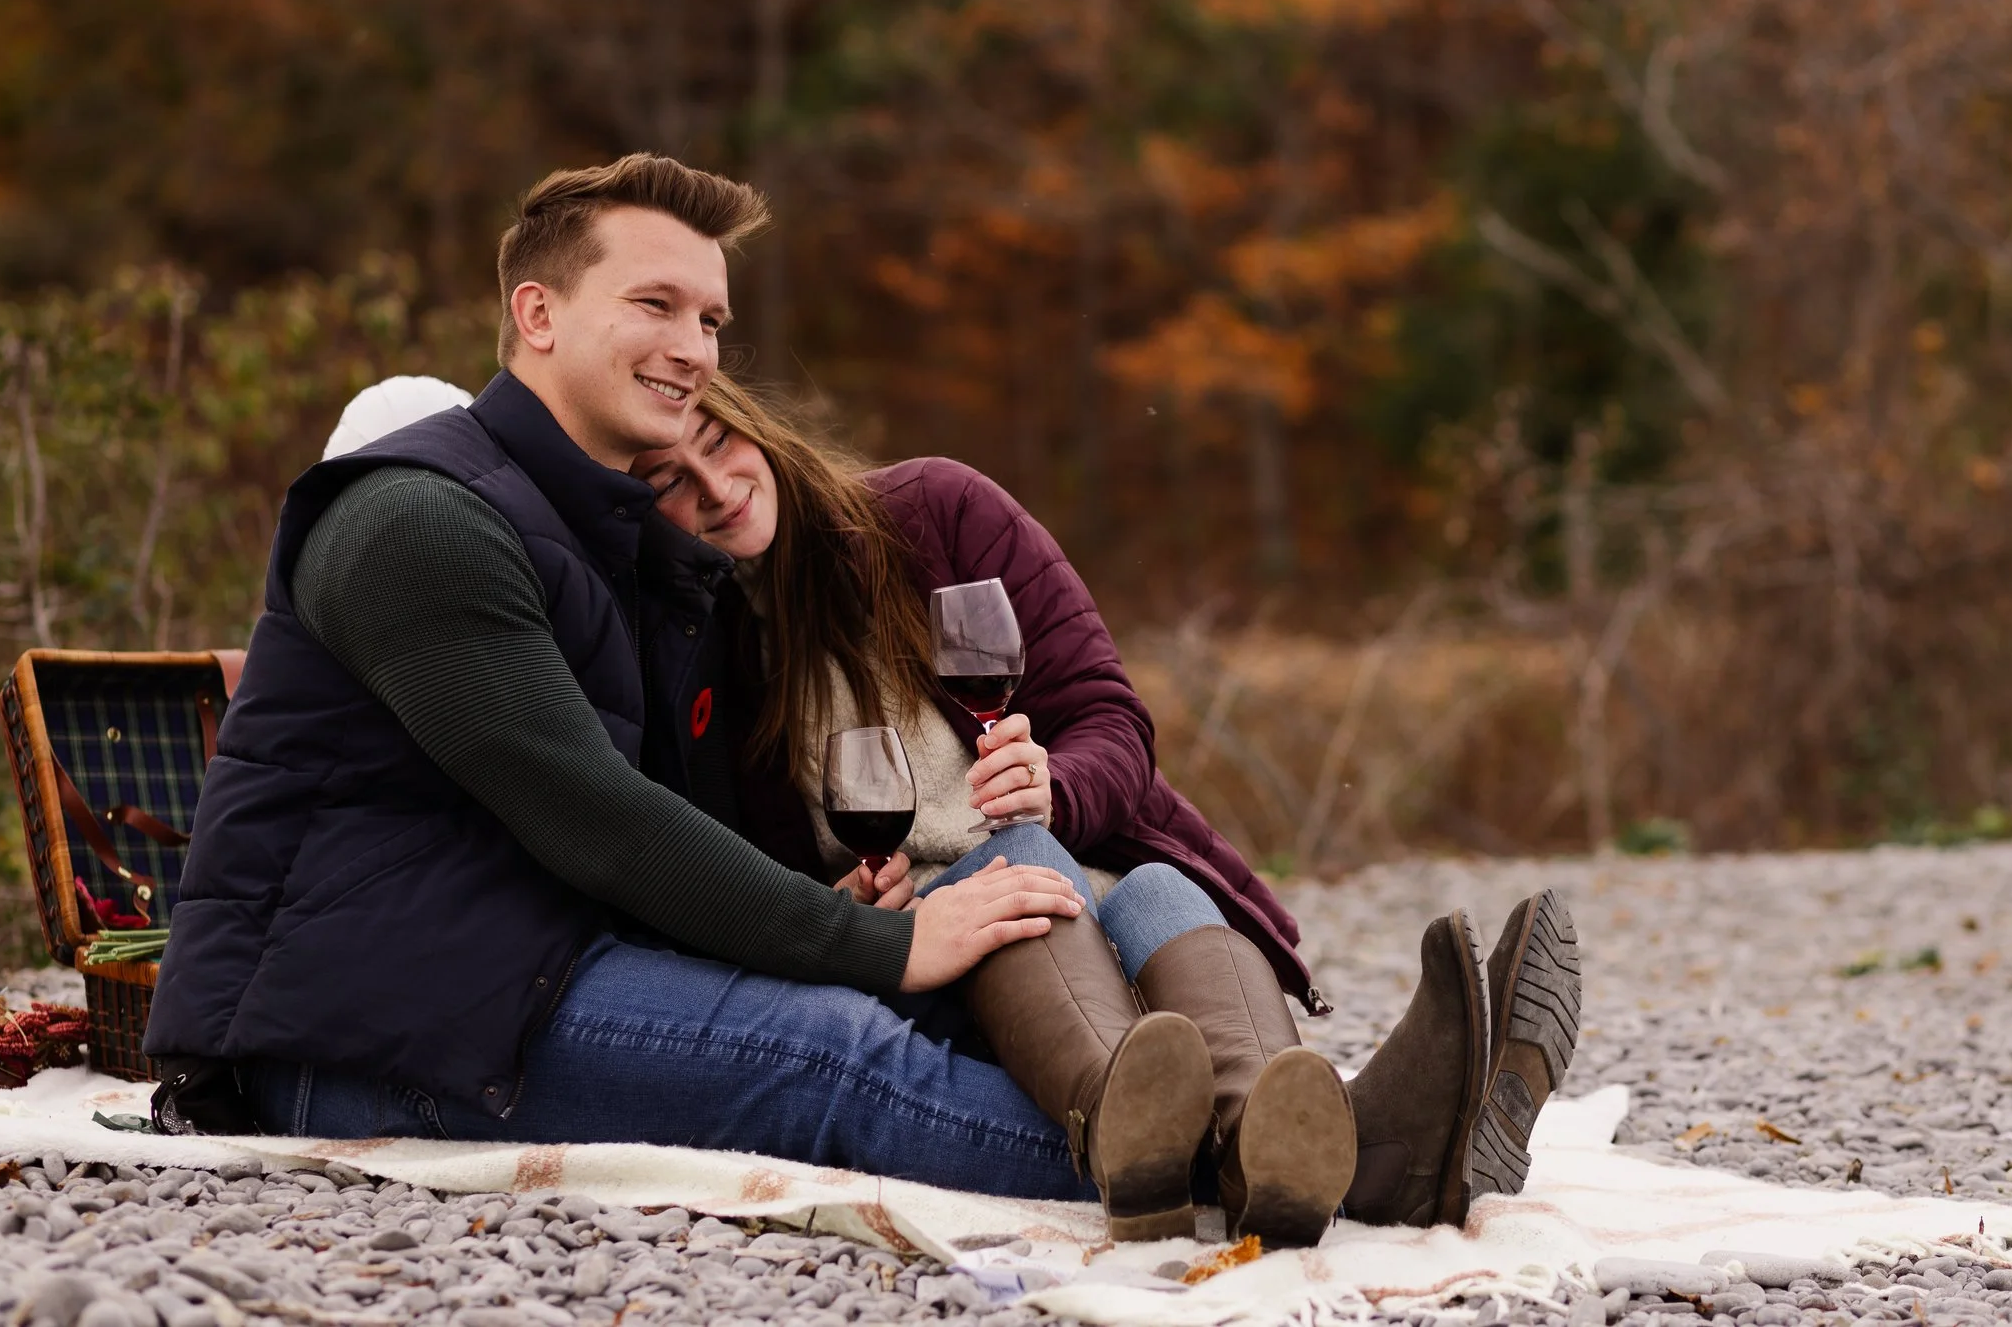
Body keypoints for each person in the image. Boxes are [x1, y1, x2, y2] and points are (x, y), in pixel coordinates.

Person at [145, 156, 1122, 1215]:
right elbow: (599, 817)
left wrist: (841, 918)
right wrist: (879, 941)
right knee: (837, 1052)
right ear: (539, 315)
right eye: (654, 304)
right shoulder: (419, 519)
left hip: (535, 968)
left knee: (973, 959)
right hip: (361, 1039)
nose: (694, 348)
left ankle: (1239, 1131)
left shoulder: (615, 538)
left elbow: (676, 819)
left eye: (710, 318)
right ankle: (1222, 1171)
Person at [626, 374, 1585, 1241]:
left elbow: (1109, 715)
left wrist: (1059, 781)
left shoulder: (936, 511)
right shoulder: (712, 655)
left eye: (720, 443)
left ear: (759, 427)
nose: (714, 487)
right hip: (965, 948)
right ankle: (1369, 1152)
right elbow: (755, 874)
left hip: (1097, 874)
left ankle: (1272, 1144)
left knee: (1161, 884)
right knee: (1017, 864)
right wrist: (848, 904)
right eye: (670, 479)